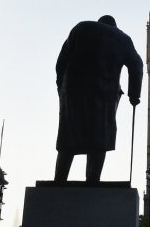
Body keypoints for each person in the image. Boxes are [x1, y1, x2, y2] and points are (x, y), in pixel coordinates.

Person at [54, 15, 143, 183]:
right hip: (104, 95)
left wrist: (61, 85)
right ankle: (93, 180)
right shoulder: (123, 39)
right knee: (100, 138)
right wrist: (134, 95)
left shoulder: (81, 27)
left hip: (74, 92)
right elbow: (137, 66)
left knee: (68, 137)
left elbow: (61, 60)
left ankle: (59, 180)